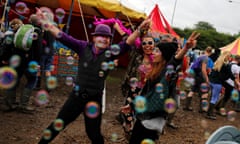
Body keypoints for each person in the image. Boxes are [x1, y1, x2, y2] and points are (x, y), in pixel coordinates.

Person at [35, 8, 151, 144]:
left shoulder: (111, 53)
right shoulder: (82, 46)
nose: (104, 39)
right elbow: (61, 36)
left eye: (107, 37)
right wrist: (46, 22)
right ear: (94, 37)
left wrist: (139, 30)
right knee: (57, 124)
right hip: (76, 97)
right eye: (101, 36)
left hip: (94, 99)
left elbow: (127, 43)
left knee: (93, 133)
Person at [128, 32, 200, 144]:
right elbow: (145, 93)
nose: (153, 53)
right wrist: (131, 105)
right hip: (143, 116)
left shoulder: (166, 73)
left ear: (164, 55)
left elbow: (175, 61)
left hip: (152, 120)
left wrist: (185, 48)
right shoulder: (154, 71)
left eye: (157, 51)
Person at [0, 17, 43, 113]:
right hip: (29, 61)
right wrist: (38, 63)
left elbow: (9, 45)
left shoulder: (20, 30)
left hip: (16, 60)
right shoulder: (37, 31)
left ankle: (9, 104)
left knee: (14, 79)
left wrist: (5, 58)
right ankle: (23, 105)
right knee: (32, 80)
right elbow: (38, 50)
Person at [118, 33, 155, 136]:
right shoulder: (137, 56)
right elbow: (128, 39)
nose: (147, 45)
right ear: (141, 45)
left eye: (150, 43)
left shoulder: (158, 60)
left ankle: (138, 135)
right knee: (127, 113)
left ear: (154, 44)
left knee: (142, 117)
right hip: (134, 90)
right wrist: (117, 27)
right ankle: (129, 134)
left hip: (148, 92)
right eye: (144, 43)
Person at [206, 51, 237, 120]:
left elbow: (212, 73)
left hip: (211, 82)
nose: (230, 58)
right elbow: (230, 75)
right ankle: (209, 114)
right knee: (214, 98)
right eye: (230, 56)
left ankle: (209, 112)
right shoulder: (226, 65)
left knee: (212, 98)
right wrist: (236, 82)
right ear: (227, 57)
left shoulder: (217, 63)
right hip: (217, 83)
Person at [183, 46, 213, 112]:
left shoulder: (200, 56)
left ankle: (186, 106)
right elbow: (203, 70)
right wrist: (207, 79)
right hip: (201, 76)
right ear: (210, 52)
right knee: (205, 92)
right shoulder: (206, 58)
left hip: (195, 75)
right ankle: (201, 109)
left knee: (192, 90)